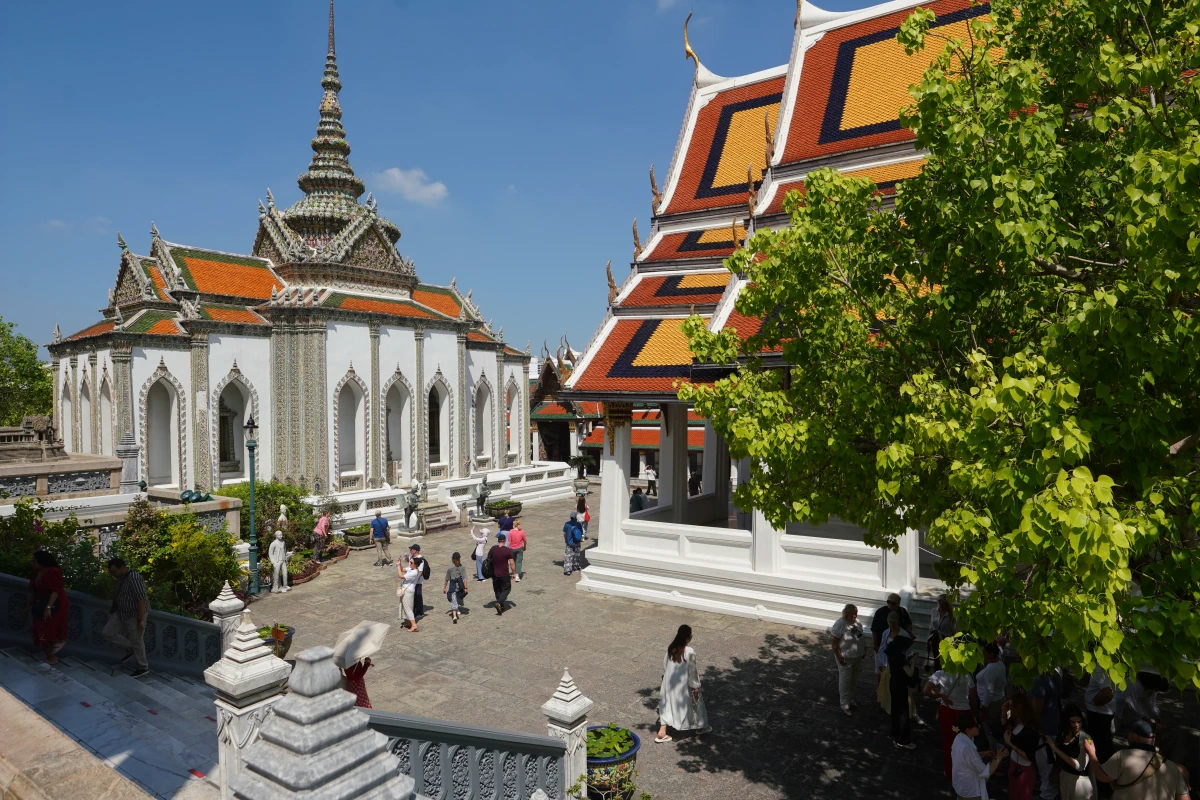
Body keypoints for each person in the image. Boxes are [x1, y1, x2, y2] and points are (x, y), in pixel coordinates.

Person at [1084, 720, 1191, 800]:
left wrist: (1092, 753)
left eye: (1128, 735)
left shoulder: (1123, 756)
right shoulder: (1172, 767)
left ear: (1134, 736)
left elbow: (1101, 776)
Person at [654, 624, 711, 743]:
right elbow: (692, 670)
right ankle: (701, 726)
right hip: (682, 684)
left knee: (667, 704)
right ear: (689, 638)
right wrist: (695, 685)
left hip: (669, 682)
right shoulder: (689, 651)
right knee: (696, 703)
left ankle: (662, 730)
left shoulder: (671, 648)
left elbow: (666, 665)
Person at [103, 557, 150, 678]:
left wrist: (140, 620)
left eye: (115, 572)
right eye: (111, 573)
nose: (113, 575)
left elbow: (142, 599)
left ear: (122, 568)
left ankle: (143, 667)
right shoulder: (120, 578)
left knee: (137, 640)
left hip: (134, 614)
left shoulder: (134, 577)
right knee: (107, 632)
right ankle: (130, 649)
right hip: (121, 612)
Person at [925, 663, 976, 772]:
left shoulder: (940, 673)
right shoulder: (966, 674)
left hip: (947, 711)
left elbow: (926, 690)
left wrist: (941, 695)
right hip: (964, 713)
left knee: (948, 742)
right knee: (966, 742)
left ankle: (949, 770)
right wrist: (975, 713)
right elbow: (973, 696)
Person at [1044, 705, 1097, 800]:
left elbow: (1080, 766)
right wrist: (1055, 772)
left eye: (1079, 721)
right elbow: (1060, 759)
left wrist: (1055, 749)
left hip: (1080, 782)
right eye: (1073, 721)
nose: (1076, 725)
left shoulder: (1085, 738)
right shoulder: (1062, 735)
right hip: (1064, 777)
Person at [953, 712, 1009, 800]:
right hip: (971, 792)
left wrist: (983, 753)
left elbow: (964, 758)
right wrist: (999, 757)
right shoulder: (967, 748)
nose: (979, 726)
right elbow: (986, 772)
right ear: (968, 730)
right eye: (976, 725)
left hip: (961, 786)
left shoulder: (959, 738)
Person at [26, 550, 68, 665]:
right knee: (40, 628)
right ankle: (50, 654)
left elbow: (55, 590)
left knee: (48, 629)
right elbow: (35, 591)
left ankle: (52, 656)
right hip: (41, 603)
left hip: (55, 603)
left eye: (34, 561)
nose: (32, 563)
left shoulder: (52, 571)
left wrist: (48, 607)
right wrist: (27, 607)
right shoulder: (36, 572)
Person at [885, 622, 919, 749]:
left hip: (893, 682)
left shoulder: (892, 652)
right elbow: (909, 673)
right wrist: (913, 662)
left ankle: (894, 732)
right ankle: (903, 739)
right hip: (900, 685)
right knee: (903, 712)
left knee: (895, 709)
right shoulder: (899, 657)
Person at [1032, 668, 1065, 798]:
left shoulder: (1039, 678)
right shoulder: (1055, 671)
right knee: (1050, 769)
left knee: (1047, 771)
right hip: (1052, 728)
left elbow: (1036, 711)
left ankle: (1048, 795)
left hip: (1044, 732)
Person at [829, 603, 866, 715]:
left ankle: (850, 699)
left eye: (855, 614)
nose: (854, 616)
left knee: (854, 680)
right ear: (846, 614)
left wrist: (864, 649)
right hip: (846, 657)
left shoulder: (857, 623)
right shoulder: (840, 624)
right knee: (845, 680)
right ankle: (844, 704)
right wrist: (839, 655)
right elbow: (834, 642)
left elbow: (861, 637)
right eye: (852, 614)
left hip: (857, 656)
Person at [1006, 694, 1044, 800]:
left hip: (1025, 769)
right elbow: (1001, 727)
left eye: (1011, 706)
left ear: (1018, 707)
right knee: (1012, 795)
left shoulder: (1030, 729)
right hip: (1013, 763)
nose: (1009, 709)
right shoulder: (1015, 721)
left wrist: (1010, 744)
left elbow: (1029, 756)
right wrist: (1003, 712)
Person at [972, 642, 1008, 751]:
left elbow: (989, 691)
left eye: (984, 652)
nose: (982, 654)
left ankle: (995, 753)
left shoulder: (991, 670)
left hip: (990, 704)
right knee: (996, 728)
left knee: (990, 730)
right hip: (998, 700)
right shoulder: (1000, 664)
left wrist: (983, 709)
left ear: (991, 654)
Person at [1085, 664, 1118, 764]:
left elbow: (1108, 694)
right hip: (1105, 711)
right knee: (1105, 742)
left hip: (1098, 713)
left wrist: (1096, 702)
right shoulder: (1113, 666)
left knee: (1099, 745)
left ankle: (1099, 771)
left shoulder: (1100, 668)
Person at [871, 594, 913, 670]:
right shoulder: (880, 612)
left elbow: (909, 624)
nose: (890, 605)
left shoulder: (902, 612)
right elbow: (874, 629)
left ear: (898, 604)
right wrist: (875, 644)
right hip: (881, 644)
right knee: (879, 669)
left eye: (893, 603)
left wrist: (908, 634)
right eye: (888, 602)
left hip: (899, 647)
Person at [1117, 672, 1165, 736]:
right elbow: (1131, 704)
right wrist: (1146, 718)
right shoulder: (1135, 685)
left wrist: (1155, 716)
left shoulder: (1151, 689)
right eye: (1156, 689)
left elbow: (1148, 704)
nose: (1156, 691)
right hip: (1120, 706)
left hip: (1130, 710)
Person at [487, 533, 516, 615]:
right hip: (504, 574)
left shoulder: (493, 549)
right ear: (505, 541)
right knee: (507, 588)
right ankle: (499, 602)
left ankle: (501, 606)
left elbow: (488, 559)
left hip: (494, 573)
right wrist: (514, 573)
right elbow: (511, 563)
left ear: (498, 540)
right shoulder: (508, 550)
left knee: (497, 590)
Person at [928, 594, 958, 660]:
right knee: (937, 660)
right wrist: (929, 639)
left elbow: (954, 630)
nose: (940, 603)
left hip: (946, 641)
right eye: (939, 600)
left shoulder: (951, 615)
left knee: (945, 660)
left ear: (946, 603)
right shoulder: (934, 611)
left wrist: (955, 643)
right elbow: (931, 627)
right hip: (935, 640)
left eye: (942, 601)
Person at [443, 552, 468, 623]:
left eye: (458, 558)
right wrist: (444, 587)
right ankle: (454, 616)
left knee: (459, 599)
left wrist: (466, 587)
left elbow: (465, 578)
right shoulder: (450, 569)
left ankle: (457, 609)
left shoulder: (462, 567)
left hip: (460, 586)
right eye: (456, 559)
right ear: (453, 559)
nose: (458, 560)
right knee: (453, 599)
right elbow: (447, 578)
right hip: (452, 586)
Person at [397, 554, 419, 632]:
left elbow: (400, 575)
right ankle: (410, 623)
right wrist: (400, 564)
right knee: (407, 608)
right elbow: (402, 569)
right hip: (406, 591)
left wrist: (397, 566)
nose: (410, 563)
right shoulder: (411, 569)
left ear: (415, 565)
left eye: (411, 563)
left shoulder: (414, 572)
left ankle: (414, 625)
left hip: (408, 592)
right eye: (410, 562)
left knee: (408, 609)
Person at [408, 544, 427, 619]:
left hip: (417, 581)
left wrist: (415, 580)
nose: (410, 550)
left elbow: (420, 571)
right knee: (413, 596)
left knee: (418, 596)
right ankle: (414, 610)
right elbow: (408, 563)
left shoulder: (420, 559)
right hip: (411, 580)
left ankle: (420, 612)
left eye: (411, 549)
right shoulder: (412, 557)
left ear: (416, 550)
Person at [562, 511, 584, 576]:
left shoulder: (567, 524)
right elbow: (581, 533)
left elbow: (564, 533)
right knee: (576, 555)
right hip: (577, 542)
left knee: (568, 556)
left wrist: (565, 540)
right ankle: (576, 567)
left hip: (569, 542)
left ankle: (568, 570)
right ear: (575, 517)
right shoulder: (578, 524)